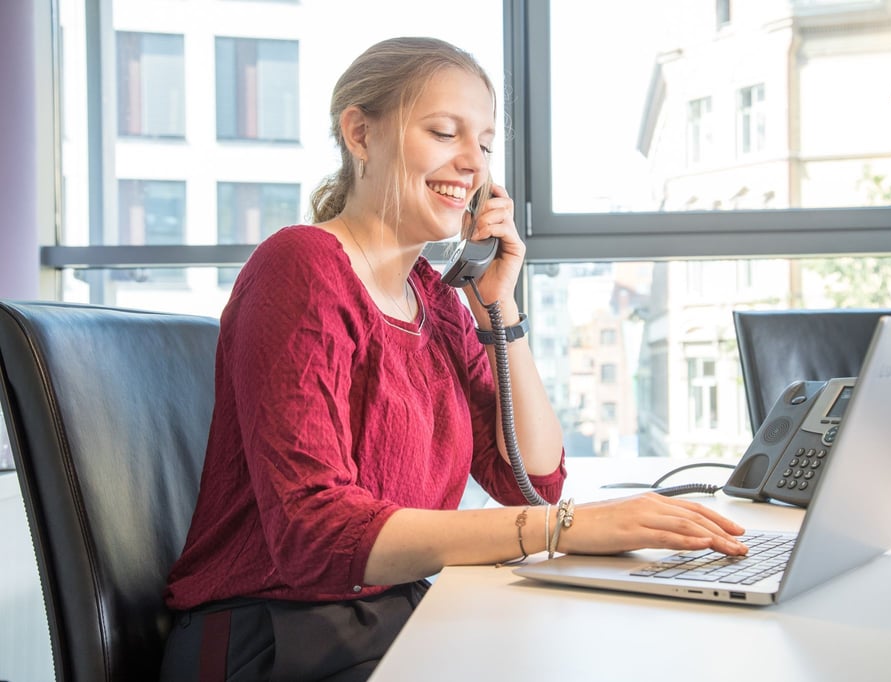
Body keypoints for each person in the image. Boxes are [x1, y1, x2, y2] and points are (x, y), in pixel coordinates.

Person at [160, 36, 748, 681]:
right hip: (275, 634)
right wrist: (562, 529)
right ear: (360, 133)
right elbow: (315, 535)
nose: (472, 164)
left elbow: (532, 474)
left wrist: (499, 307)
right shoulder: (301, 267)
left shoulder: (433, 298)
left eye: (486, 145)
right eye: (444, 133)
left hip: (392, 610)